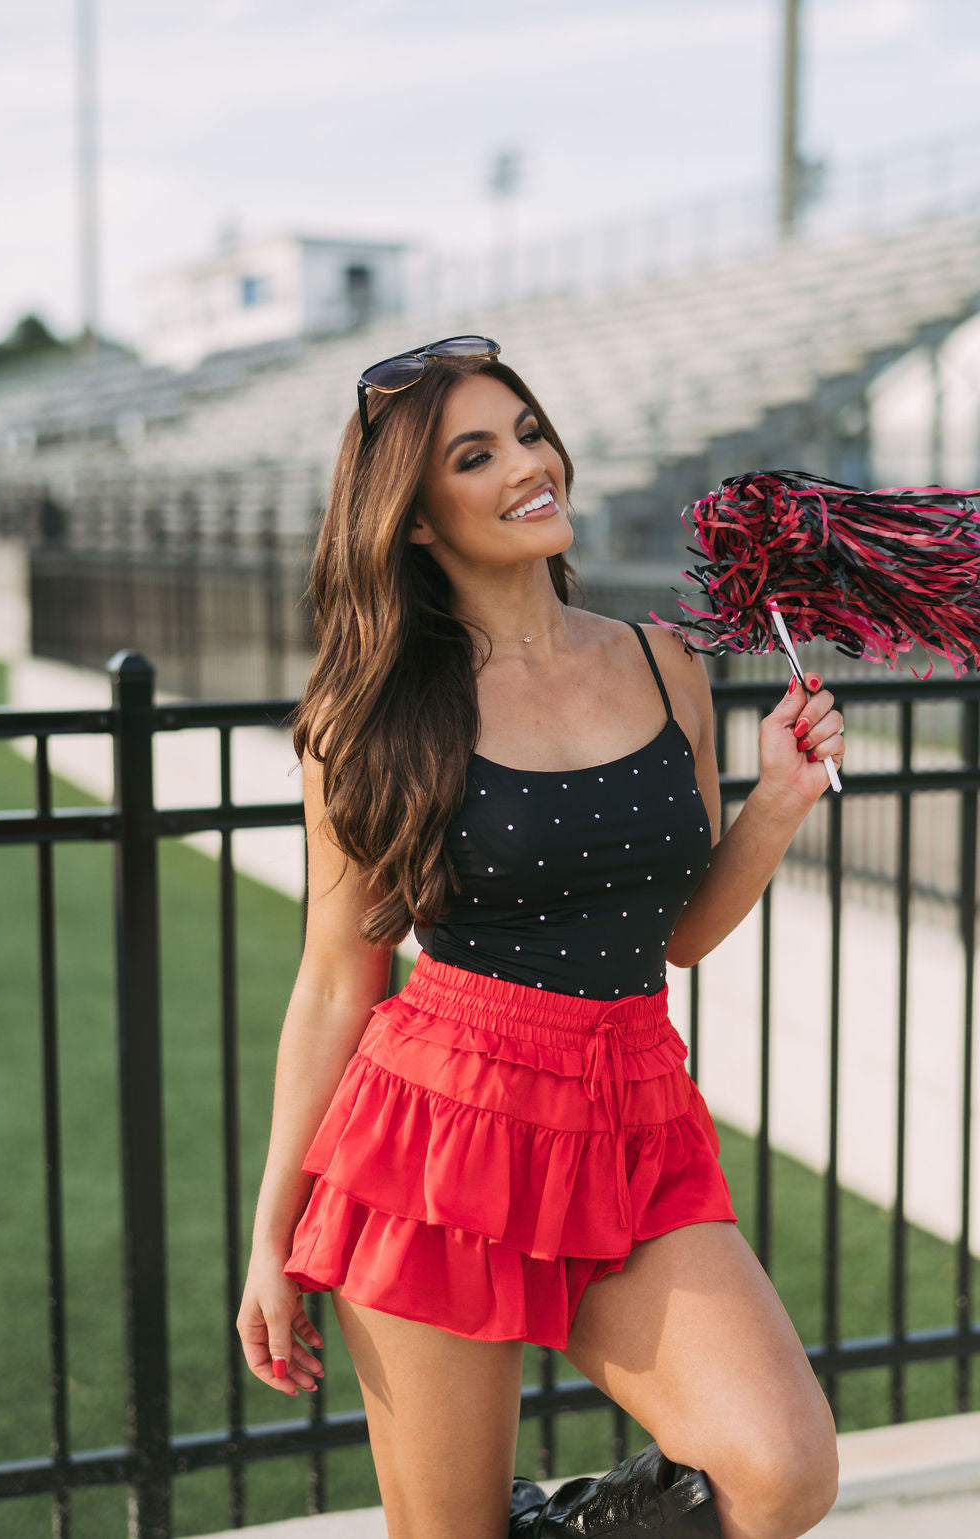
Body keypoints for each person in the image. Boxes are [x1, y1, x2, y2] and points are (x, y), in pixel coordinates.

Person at [237, 337, 844, 1539]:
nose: (529, 465)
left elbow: (675, 939)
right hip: (433, 1132)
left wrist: (777, 802)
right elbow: (332, 984)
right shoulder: (374, 716)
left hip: (632, 1112)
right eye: (477, 455)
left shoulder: (662, 663)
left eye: (527, 431)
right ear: (414, 521)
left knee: (779, 1470)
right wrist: (271, 1235)